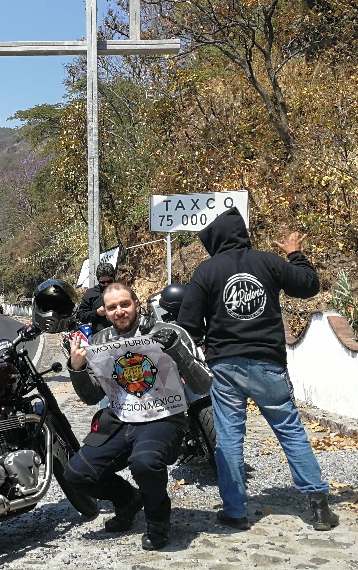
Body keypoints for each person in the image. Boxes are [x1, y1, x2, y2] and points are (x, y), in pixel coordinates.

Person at [177, 207, 340, 532]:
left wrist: (188, 363)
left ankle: (235, 511)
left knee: (229, 438)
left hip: (226, 368)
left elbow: (187, 326)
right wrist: (295, 254)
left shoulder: (206, 272)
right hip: (269, 365)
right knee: (291, 430)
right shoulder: (270, 262)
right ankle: (319, 507)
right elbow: (308, 285)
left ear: (217, 240)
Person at [63, 282, 193, 551]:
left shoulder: (168, 332)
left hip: (164, 416)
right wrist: (77, 369)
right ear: (104, 311)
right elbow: (90, 396)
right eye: (112, 307)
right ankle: (127, 500)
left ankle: (158, 520)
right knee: (76, 473)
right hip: (122, 417)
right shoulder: (99, 342)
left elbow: (203, 384)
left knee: (144, 462)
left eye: (125, 304)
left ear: (137, 303)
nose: (119, 311)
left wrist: (176, 350)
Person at [76, 261, 116, 334]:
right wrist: (96, 313)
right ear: (98, 280)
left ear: (114, 278)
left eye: (109, 281)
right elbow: (81, 316)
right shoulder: (91, 294)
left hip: (123, 335)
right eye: (102, 282)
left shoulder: (123, 291)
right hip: (100, 337)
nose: (106, 284)